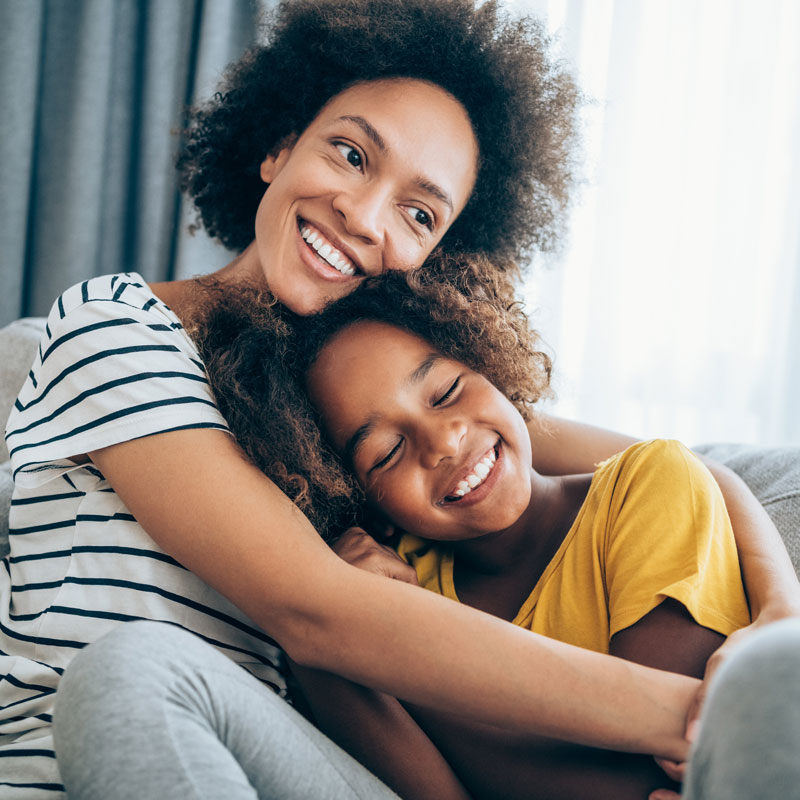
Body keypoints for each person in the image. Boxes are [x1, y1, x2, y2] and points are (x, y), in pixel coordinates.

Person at [1, 0, 796, 797]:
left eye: (419, 213)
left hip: (291, 763)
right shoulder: (115, 327)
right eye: (350, 153)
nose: (362, 213)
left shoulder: (354, 398)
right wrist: (709, 721)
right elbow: (312, 610)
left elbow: (679, 467)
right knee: (129, 670)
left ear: (435, 255)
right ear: (280, 144)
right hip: (82, 754)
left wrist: (780, 614)